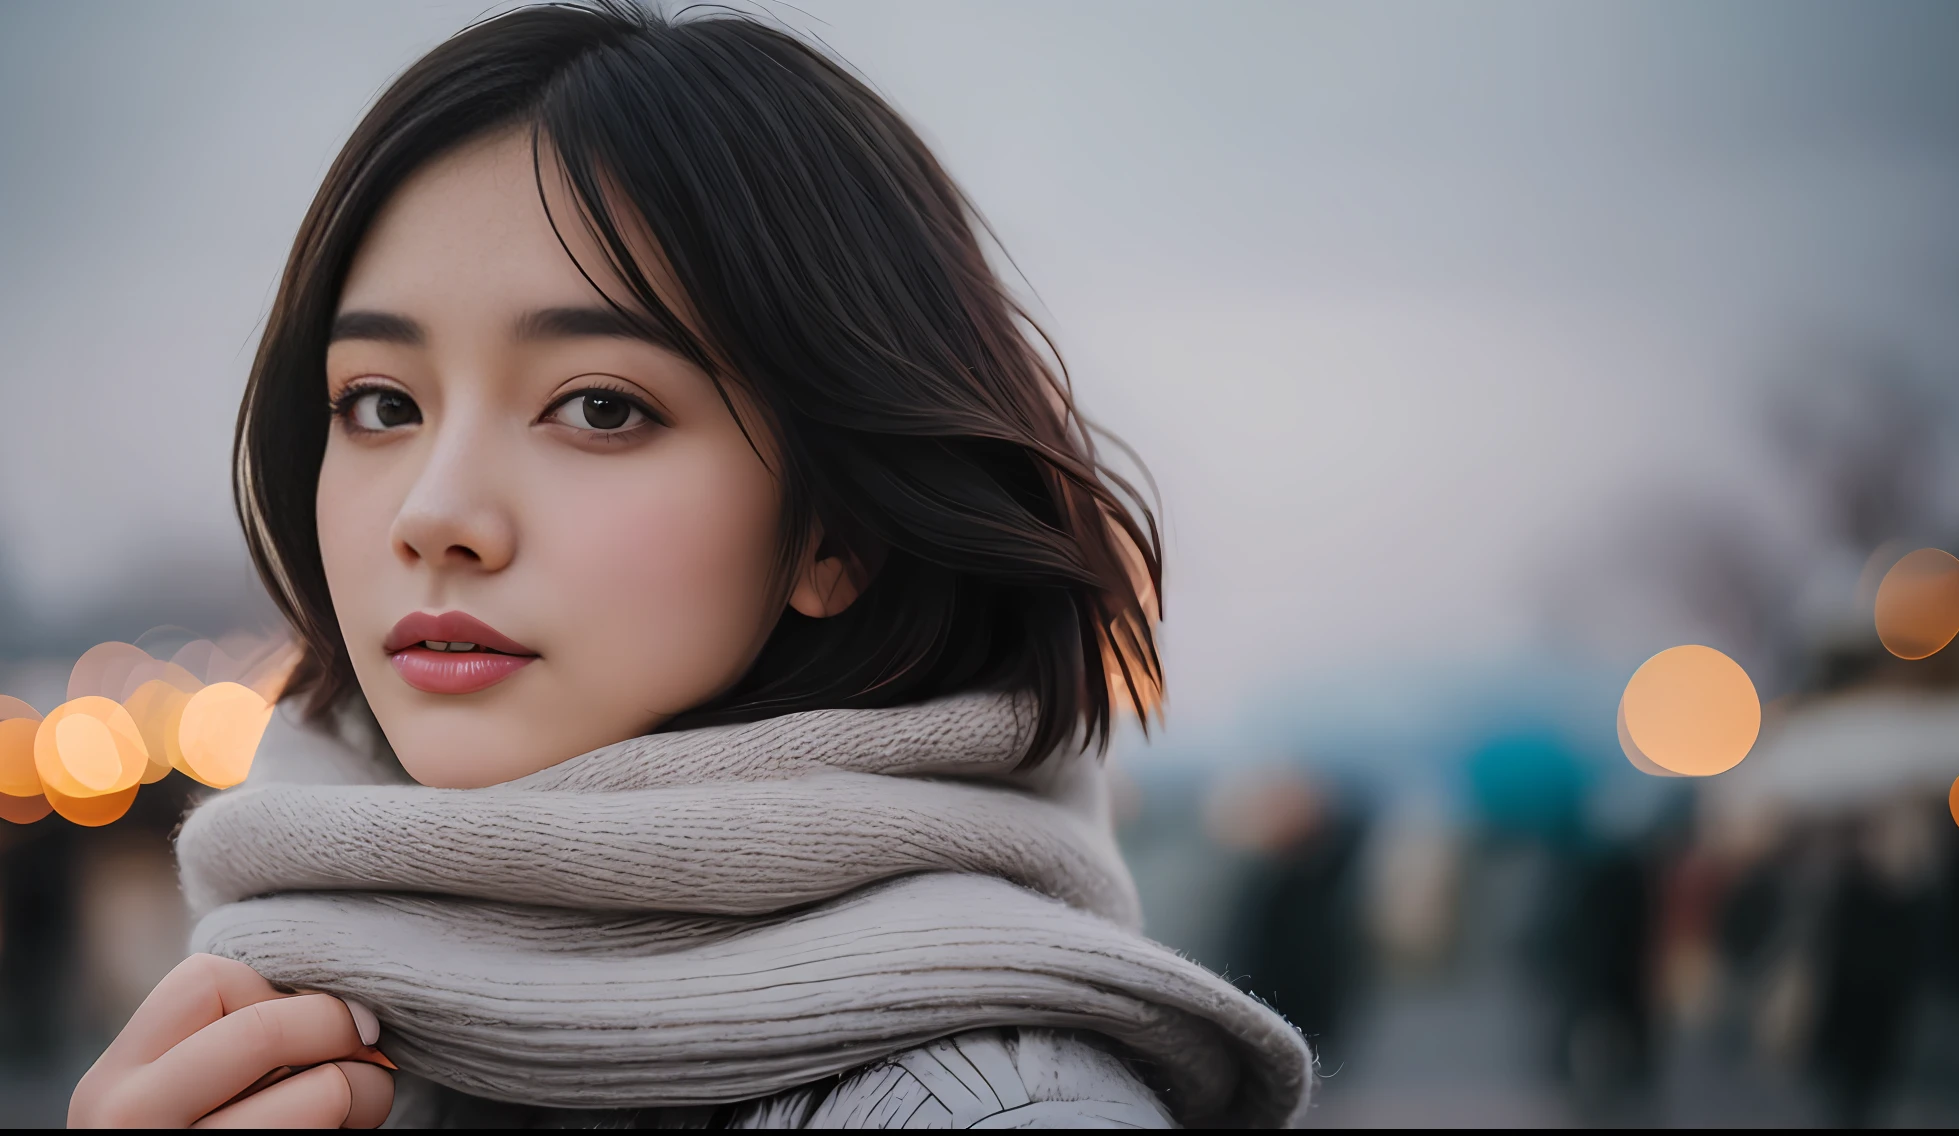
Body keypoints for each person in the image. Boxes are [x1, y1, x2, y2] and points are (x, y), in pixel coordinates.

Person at [64, 2, 1310, 1128]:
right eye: (382, 403)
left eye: (599, 407)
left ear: (836, 533)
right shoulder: (274, 1040)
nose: (435, 515)